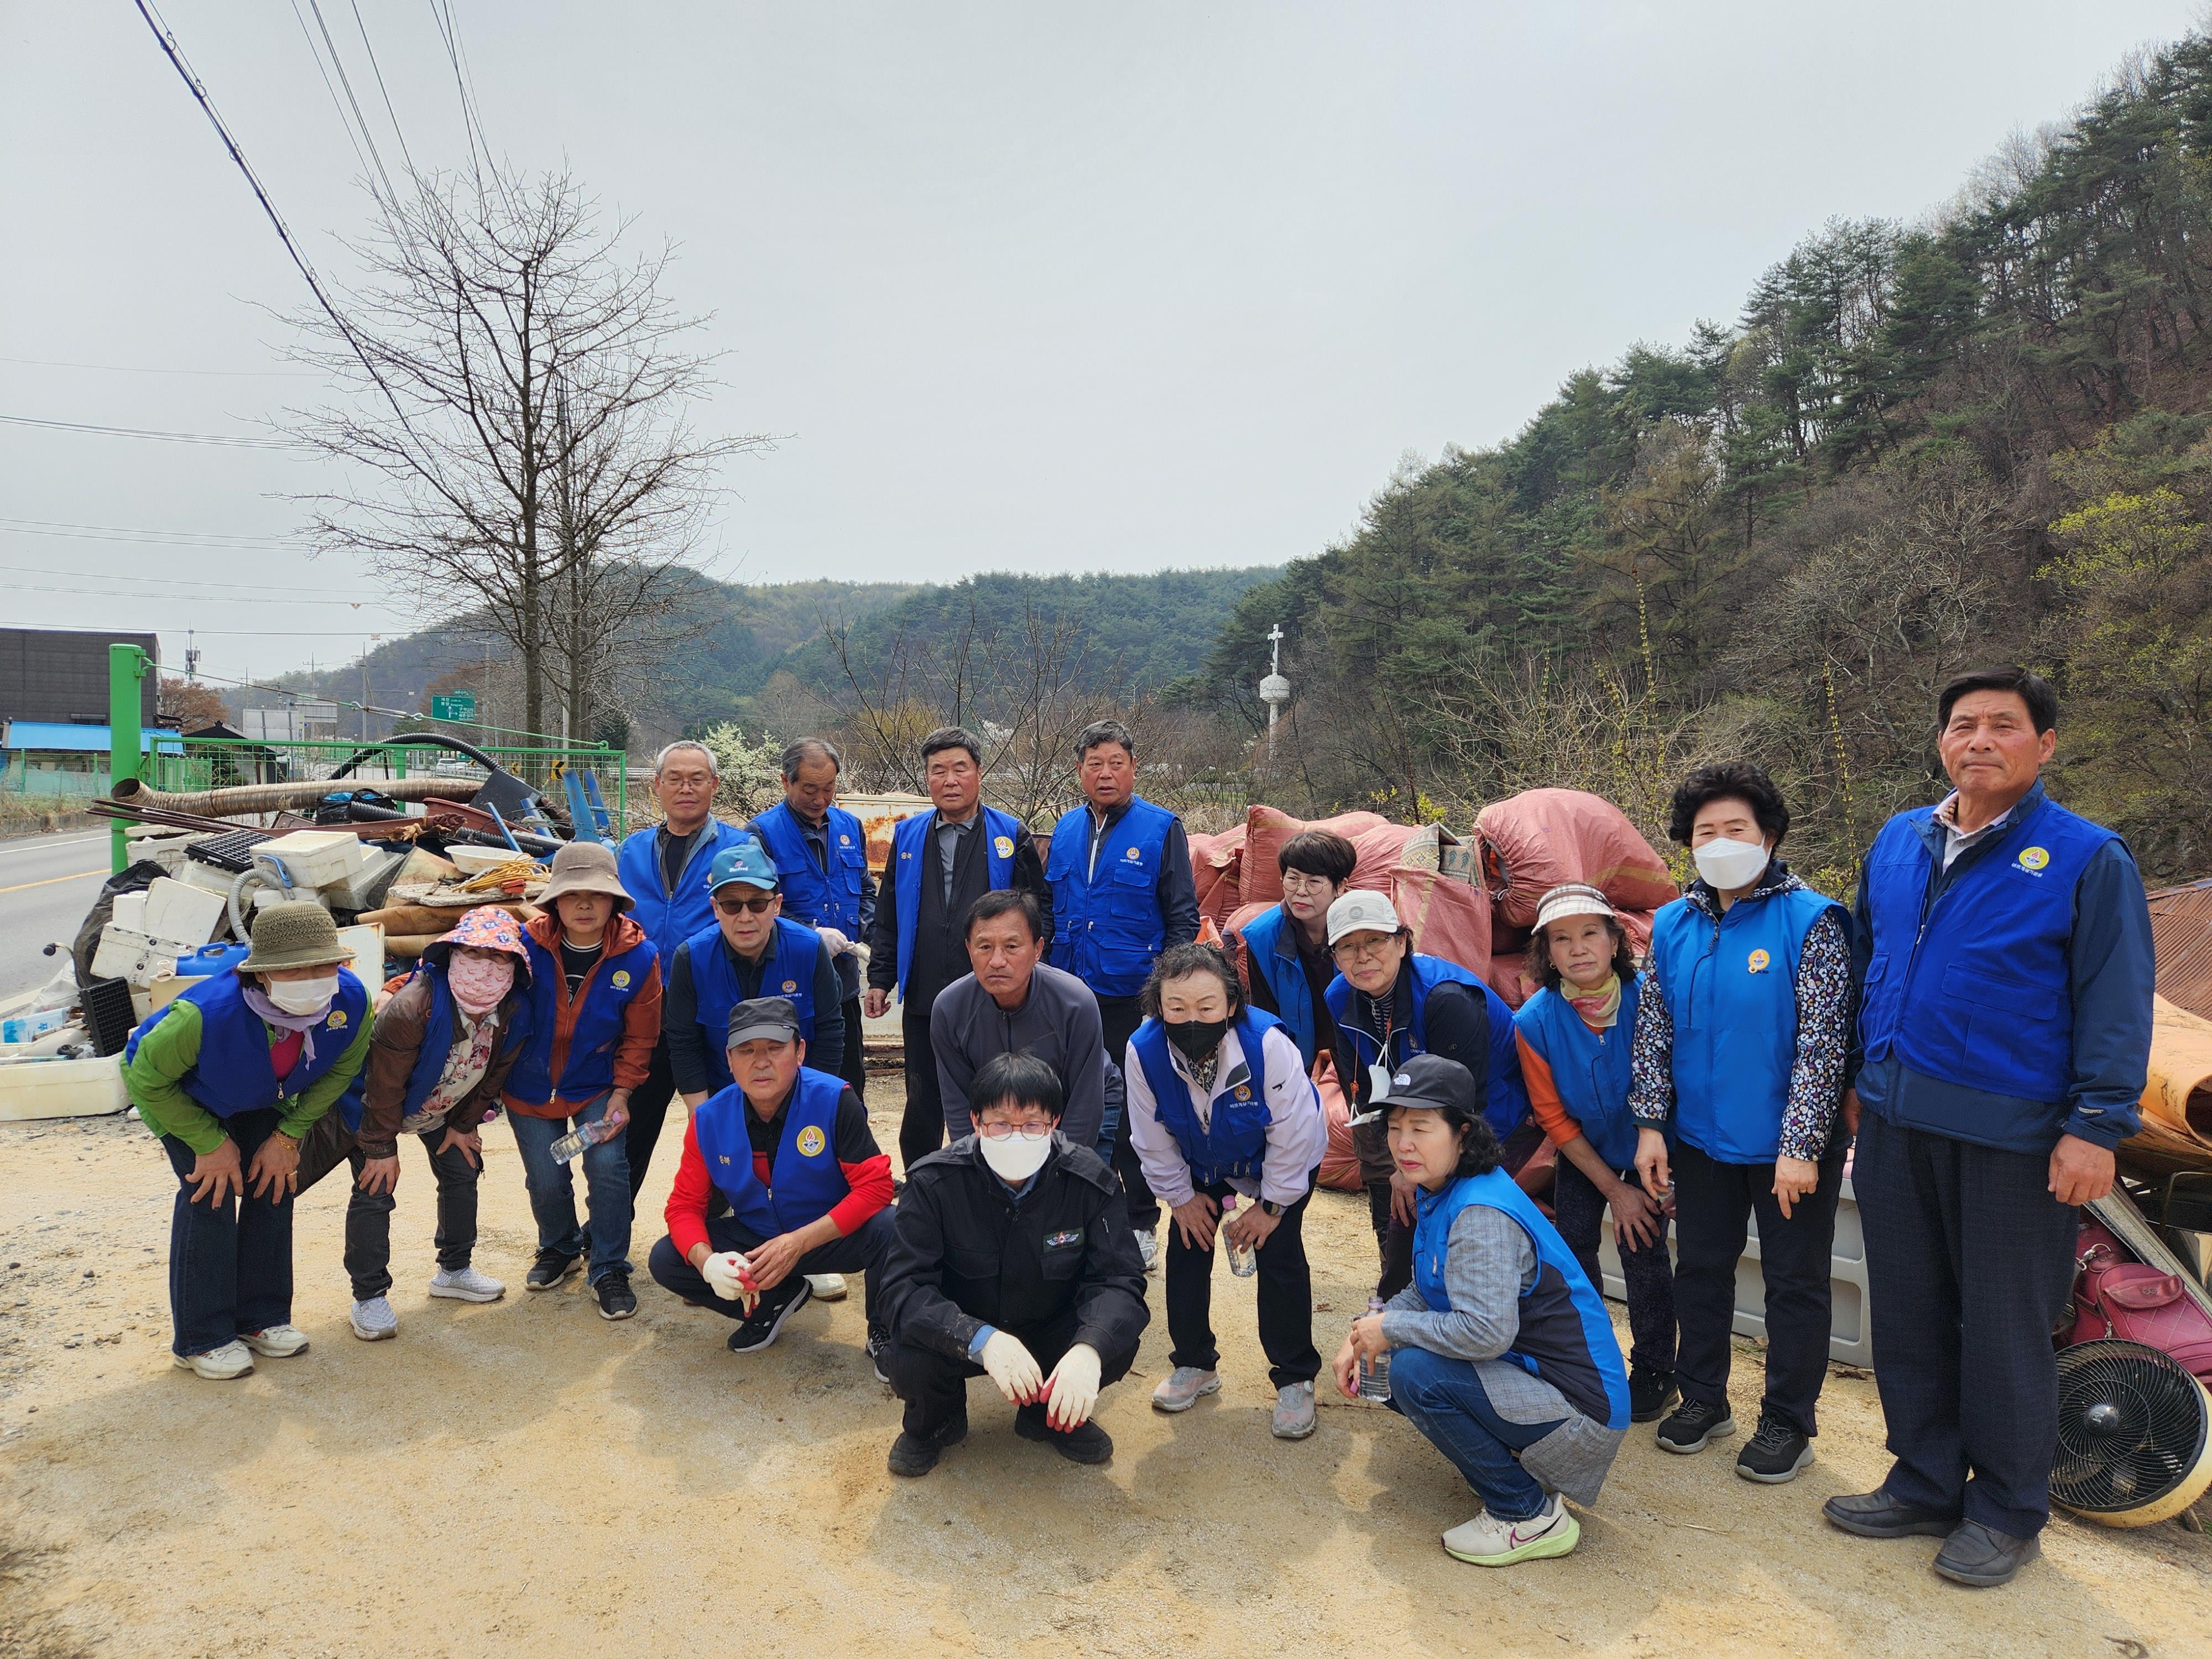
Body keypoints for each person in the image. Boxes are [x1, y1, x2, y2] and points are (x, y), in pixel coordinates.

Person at [1825, 667, 2154, 1589]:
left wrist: (2097, 1124)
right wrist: (1859, 1076)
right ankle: (1926, 1478)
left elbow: (2117, 1003)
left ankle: (2009, 1510)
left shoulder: (2088, 857)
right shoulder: (1898, 841)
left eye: (2002, 726)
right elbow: (1867, 959)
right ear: (1941, 743)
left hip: (2014, 1139)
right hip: (1894, 1123)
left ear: (2043, 745)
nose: (1979, 740)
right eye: (1961, 725)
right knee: (1912, 1313)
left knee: (2004, 1326)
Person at [1629, 761, 1850, 1484]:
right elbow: (1654, 1029)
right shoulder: (1673, 923)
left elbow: (1824, 1042)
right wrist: (1652, 1124)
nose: (1720, 843)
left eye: (1736, 829)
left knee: (1794, 1281)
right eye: (1705, 832)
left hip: (1789, 1149)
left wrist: (1803, 1145)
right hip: (1698, 1140)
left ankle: (1788, 1419)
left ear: (1771, 836)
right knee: (1700, 1270)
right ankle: (1703, 1399)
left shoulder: (1811, 921)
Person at [1334, 1055, 1629, 1567]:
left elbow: (1486, 1333)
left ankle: (1526, 1514)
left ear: (1462, 1134)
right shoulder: (1446, 1188)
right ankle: (1515, 1466)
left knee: (1414, 1373)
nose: (1404, 1143)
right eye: (1395, 1127)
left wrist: (1392, 1329)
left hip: (1582, 1418)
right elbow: (1428, 1292)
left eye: (1422, 1128)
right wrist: (1363, 1333)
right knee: (1384, 1359)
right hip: (1542, 1386)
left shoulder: (1479, 1211)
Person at [122, 902, 373, 1380]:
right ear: (262, 975)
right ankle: (202, 1337)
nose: (318, 978)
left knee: (274, 1187)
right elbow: (148, 1079)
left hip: (263, 1096)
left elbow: (342, 1068)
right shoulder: (204, 1015)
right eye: (298, 969)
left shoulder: (352, 1001)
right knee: (210, 1196)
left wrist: (289, 1135)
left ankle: (261, 1318)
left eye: (327, 964)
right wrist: (210, 1143)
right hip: (187, 1097)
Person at [876, 1051, 1150, 1476]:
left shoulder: (1090, 1180)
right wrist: (980, 1339)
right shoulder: (933, 1183)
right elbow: (901, 1290)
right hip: (962, 1329)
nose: (1016, 1136)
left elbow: (1120, 1279)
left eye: (1032, 1124)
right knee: (909, 1356)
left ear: (1055, 1123)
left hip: (1049, 1327)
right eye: (1000, 1124)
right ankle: (936, 1420)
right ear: (975, 1121)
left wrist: (1088, 1349)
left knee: (1115, 1342)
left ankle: (1052, 1413)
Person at [296, 906, 533, 1340]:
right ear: (452, 954)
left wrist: (464, 1124)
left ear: (516, 965)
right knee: (375, 1187)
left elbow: (493, 1075)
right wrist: (381, 1149)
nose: (485, 967)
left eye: (499, 957)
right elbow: (383, 1088)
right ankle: (369, 1295)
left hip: (441, 1104)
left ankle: (454, 1270)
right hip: (373, 1107)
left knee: (462, 1169)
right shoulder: (412, 1007)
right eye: (473, 953)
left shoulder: (515, 1010)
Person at [1126, 942, 1327, 1440]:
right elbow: (1150, 1137)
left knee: (1279, 1253)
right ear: (1159, 1007)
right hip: (1201, 1158)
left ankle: (1295, 1377)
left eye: (1207, 1006)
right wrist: (1180, 1197)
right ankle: (1195, 1363)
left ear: (1232, 1005)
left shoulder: (1267, 1045)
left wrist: (1272, 1205)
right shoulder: (1143, 1050)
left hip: (1276, 1162)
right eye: (1176, 1007)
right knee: (1187, 1245)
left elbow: (1295, 1132)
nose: (1191, 1018)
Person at [646, 998, 897, 1362]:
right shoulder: (709, 1119)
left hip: (829, 1236)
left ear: (800, 1052)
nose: (761, 1062)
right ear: (729, 1061)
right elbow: (684, 1206)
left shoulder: (834, 1100)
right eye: (746, 1051)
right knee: (667, 1257)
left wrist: (797, 1242)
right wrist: (708, 1264)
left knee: (892, 1226)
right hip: (758, 1241)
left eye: (776, 1048)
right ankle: (773, 1302)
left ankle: (884, 1329)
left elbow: (877, 1187)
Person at [1512, 884, 1677, 1423]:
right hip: (1585, 1153)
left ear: (1614, 941)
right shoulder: (1534, 1021)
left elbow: (1685, 1081)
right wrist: (1613, 1189)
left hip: (1658, 1146)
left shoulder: (1651, 994)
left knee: (1645, 1256)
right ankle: (1585, 1362)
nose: (1577, 948)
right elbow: (1554, 1117)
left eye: (1590, 933)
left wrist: (1669, 1171)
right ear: (1546, 952)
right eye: (1561, 938)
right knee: (1572, 1251)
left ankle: (1656, 1370)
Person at [1323, 889, 1535, 1301]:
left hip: (1493, 1114)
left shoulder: (1447, 999)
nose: (1362, 956)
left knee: (1459, 1209)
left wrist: (1412, 1168)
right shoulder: (1339, 998)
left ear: (1402, 942)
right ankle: (1401, 1302)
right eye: (1347, 947)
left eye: (1375, 941)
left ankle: (1464, 1310)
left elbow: (1467, 1104)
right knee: (1401, 1209)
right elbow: (1366, 1087)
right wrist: (1395, 1163)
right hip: (1413, 1112)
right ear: (1335, 958)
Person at [1044, 718, 1200, 1267]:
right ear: (1080, 771)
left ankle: (1139, 1222)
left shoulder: (1161, 829)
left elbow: (1183, 918)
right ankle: (1072, 1212)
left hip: (1131, 998)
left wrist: (1168, 994)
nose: (1105, 773)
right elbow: (1047, 909)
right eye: (1094, 763)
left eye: (1116, 763)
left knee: (1137, 1112)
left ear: (1133, 769)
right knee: (1068, 1105)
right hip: (1067, 993)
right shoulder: (1063, 830)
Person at [863, 726, 1052, 1176]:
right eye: (938, 771)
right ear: (927, 779)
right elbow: (888, 911)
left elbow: (1038, 909)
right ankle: (925, 1186)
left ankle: (999, 1179)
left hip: (994, 992)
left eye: (959, 769)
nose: (950, 780)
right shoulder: (907, 837)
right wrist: (880, 979)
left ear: (979, 773)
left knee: (996, 1092)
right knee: (923, 1097)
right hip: (926, 992)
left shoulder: (1010, 834)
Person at [504, 841, 662, 1321]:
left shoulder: (639, 957)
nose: (586, 904)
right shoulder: (522, 945)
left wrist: (623, 1092)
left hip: (597, 1085)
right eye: (573, 895)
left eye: (597, 894)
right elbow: (459, 971)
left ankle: (609, 1266)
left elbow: (641, 1035)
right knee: (547, 1177)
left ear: (615, 899)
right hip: (528, 1085)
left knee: (610, 1170)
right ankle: (560, 1246)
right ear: (554, 901)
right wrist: (394, 990)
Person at [614, 739, 753, 1201]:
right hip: (644, 1009)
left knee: (720, 1120)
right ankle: (608, 1231)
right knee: (629, 1127)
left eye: (697, 779)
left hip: (711, 1009)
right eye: (674, 779)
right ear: (656, 786)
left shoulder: (739, 849)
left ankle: (720, 1221)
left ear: (714, 785)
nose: (685, 788)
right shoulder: (629, 852)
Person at [931, 889, 1111, 1157]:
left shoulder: (1076, 1004)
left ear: (1038, 949)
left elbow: (1084, 1107)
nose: (997, 961)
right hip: (998, 1121)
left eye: (1012, 947)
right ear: (969, 949)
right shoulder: (949, 1009)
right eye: (985, 947)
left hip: (1078, 1111)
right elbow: (959, 1109)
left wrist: (1054, 1172)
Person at [747, 737, 875, 1104]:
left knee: (847, 1088)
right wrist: (810, 934)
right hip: (787, 985)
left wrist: (862, 931)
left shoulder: (850, 826)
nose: (821, 799)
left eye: (829, 788)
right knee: (789, 1091)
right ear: (786, 782)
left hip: (844, 984)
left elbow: (866, 890)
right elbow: (757, 906)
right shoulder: (761, 834)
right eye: (809, 789)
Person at [665, 840, 844, 1100]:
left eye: (758, 904)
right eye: (732, 905)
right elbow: (684, 1043)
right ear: (716, 908)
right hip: (723, 1097)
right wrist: (702, 1117)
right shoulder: (690, 958)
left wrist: (811, 1106)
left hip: (797, 1095)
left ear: (777, 904)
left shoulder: (809, 950)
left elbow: (830, 1033)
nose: (746, 917)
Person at [1237, 827, 1355, 1073]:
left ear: (1340, 886)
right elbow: (1265, 1014)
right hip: (1294, 1042)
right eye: (1293, 878)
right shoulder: (1262, 937)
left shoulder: (1359, 929)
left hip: (1354, 1034)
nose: (1301, 891)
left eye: (1314, 882)